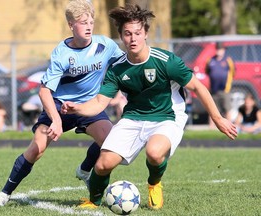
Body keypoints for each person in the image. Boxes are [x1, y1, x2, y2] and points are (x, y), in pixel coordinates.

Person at [61, 4, 238, 210]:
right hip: (133, 118)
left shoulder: (165, 61)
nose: (133, 38)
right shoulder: (117, 68)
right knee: (102, 165)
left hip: (167, 117)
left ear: (145, 34)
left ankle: (154, 183)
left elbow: (197, 87)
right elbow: (100, 102)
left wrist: (218, 119)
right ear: (121, 36)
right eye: (127, 34)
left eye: (137, 33)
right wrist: (77, 108)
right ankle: (94, 200)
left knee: (154, 153)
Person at [0, 0, 123, 207]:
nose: (88, 26)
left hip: (89, 107)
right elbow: (44, 91)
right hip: (59, 107)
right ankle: (5, 192)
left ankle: (85, 170)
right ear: (71, 25)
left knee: (110, 142)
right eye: (82, 22)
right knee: (37, 149)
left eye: (91, 21)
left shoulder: (106, 45)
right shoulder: (61, 54)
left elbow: (125, 66)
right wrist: (56, 120)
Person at [205, 42, 235, 127]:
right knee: (213, 108)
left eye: (221, 49)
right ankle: (211, 127)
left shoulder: (228, 60)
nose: (219, 51)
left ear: (224, 50)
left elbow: (233, 72)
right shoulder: (211, 60)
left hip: (225, 89)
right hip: (214, 89)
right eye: (218, 49)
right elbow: (207, 71)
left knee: (227, 108)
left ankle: (230, 126)